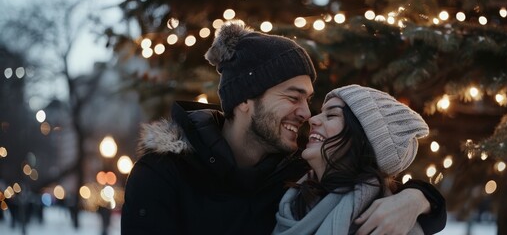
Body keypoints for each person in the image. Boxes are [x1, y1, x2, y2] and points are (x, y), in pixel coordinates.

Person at [121, 20, 446, 235]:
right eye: (293, 97)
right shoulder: (164, 175)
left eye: (308, 100)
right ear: (246, 99)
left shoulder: (299, 174)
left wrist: (418, 199)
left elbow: (369, 173)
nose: (307, 113)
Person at [273, 84, 430, 235]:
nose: (312, 119)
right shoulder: (289, 198)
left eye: (332, 115)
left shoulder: (391, 224)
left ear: (362, 139)